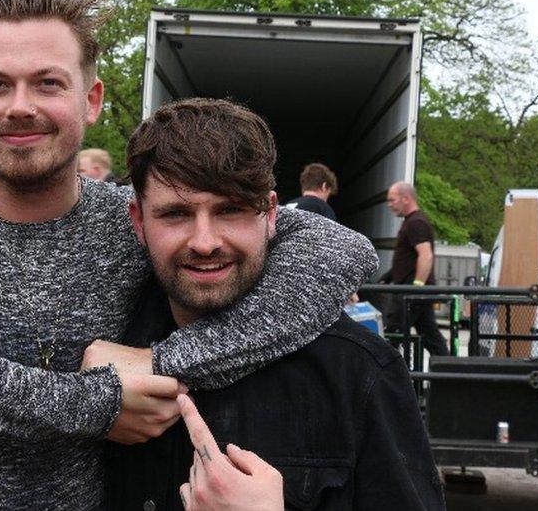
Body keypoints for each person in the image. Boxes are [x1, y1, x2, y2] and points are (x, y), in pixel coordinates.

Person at [0, 0, 376, 509]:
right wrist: (96, 403)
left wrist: (159, 361)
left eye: (47, 83)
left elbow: (337, 253)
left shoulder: (127, 220)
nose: (20, 106)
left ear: (91, 100)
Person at [94, 98, 443, 510]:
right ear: (138, 221)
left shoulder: (360, 375)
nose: (205, 242)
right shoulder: (99, 355)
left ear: (272, 214)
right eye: (175, 214)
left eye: (231, 210)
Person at [385, 181, 449, 356]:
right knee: (430, 337)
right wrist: (388, 277)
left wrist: (417, 287)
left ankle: (389, 378)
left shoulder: (416, 222)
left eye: (392, 200)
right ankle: (450, 375)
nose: (389, 205)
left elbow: (426, 255)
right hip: (415, 291)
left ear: (406, 198)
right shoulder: (411, 221)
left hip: (412, 293)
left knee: (393, 334)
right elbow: (408, 259)